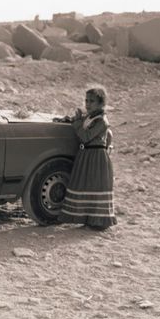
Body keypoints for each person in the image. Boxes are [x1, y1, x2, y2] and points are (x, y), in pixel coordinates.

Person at [58, 86, 117, 230]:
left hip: (96, 157)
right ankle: (87, 219)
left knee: (95, 186)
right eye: (86, 100)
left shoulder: (101, 121)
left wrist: (76, 122)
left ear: (101, 104)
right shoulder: (90, 117)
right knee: (86, 185)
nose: (88, 104)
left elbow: (86, 137)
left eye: (92, 101)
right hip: (86, 156)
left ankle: (98, 222)